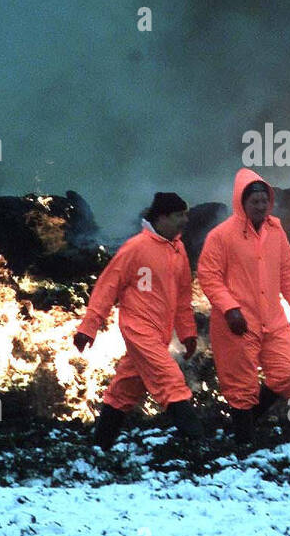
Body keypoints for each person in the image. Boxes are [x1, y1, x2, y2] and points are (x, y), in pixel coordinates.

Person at [74, 192, 203, 450]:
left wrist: (188, 333)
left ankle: (100, 445)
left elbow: (182, 297)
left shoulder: (178, 250)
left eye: (186, 215)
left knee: (125, 389)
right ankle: (198, 441)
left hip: (160, 332)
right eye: (179, 215)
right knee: (171, 380)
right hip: (138, 329)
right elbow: (107, 287)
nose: (185, 221)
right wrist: (89, 327)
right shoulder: (135, 248)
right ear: (162, 217)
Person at [198, 169, 290, 445]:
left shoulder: (276, 231)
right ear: (241, 203)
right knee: (241, 387)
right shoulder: (221, 236)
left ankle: (247, 422)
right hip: (237, 322)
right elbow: (208, 276)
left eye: (264, 201)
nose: (260, 206)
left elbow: (288, 272)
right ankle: (243, 442)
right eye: (254, 202)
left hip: (272, 318)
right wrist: (229, 308)